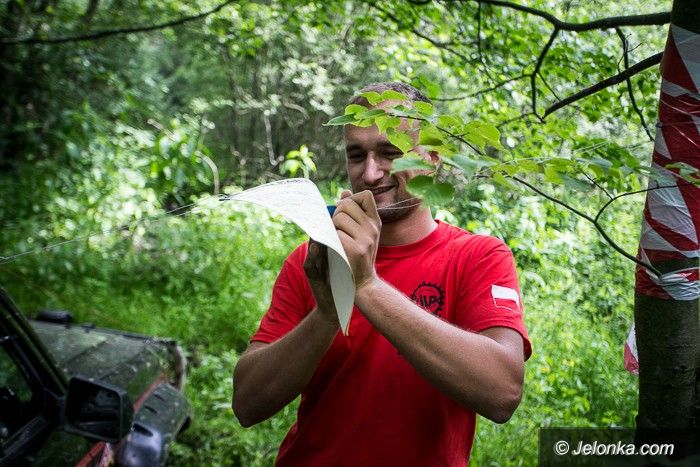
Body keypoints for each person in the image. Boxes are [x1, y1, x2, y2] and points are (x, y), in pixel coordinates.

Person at [232, 82, 532, 466]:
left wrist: (366, 286)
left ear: (432, 158)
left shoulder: (478, 257)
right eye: (357, 156)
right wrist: (327, 313)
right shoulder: (314, 260)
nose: (371, 174)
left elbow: (502, 392)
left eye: (390, 153)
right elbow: (247, 404)